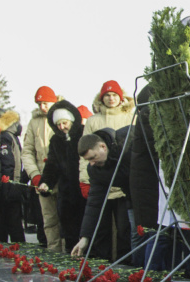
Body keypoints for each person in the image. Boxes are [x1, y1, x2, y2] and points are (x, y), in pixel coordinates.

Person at [80, 80, 135, 260]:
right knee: (102, 230)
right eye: (107, 95)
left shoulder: (127, 141)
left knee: (127, 230)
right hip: (108, 183)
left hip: (130, 191)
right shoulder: (94, 166)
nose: (111, 98)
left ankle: (128, 265)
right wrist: (84, 238)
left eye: (114, 95)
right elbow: (94, 204)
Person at [71, 128, 132, 261]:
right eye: (88, 160)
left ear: (103, 147)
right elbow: (94, 204)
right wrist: (85, 238)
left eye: (93, 157)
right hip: (131, 196)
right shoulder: (95, 169)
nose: (92, 163)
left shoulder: (127, 144)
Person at [38, 101, 86, 253]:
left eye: (64, 123)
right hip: (66, 192)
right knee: (68, 228)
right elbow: (52, 164)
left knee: (85, 226)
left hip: (83, 188)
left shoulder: (83, 133)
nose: (62, 127)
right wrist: (46, 182)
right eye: (58, 125)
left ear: (71, 120)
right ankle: (71, 256)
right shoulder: (55, 140)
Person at [22, 86, 60, 251]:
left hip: (61, 177)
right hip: (42, 179)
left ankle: (69, 252)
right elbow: (27, 151)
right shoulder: (34, 122)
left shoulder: (62, 116)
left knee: (66, 217)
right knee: (48, 219)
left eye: (46, 103)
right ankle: (53, 251)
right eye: (40, 103)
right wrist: (35, 174)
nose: (43, 107)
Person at [0, 108, 25, 243]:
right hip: (14, 183)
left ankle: (7, 249)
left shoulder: (4, 136)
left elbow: (7, 163)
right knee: (15, 222)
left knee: (4, 221)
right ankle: (21, 249)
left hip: (8, 184)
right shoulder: (13, 135)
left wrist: (3, 186)